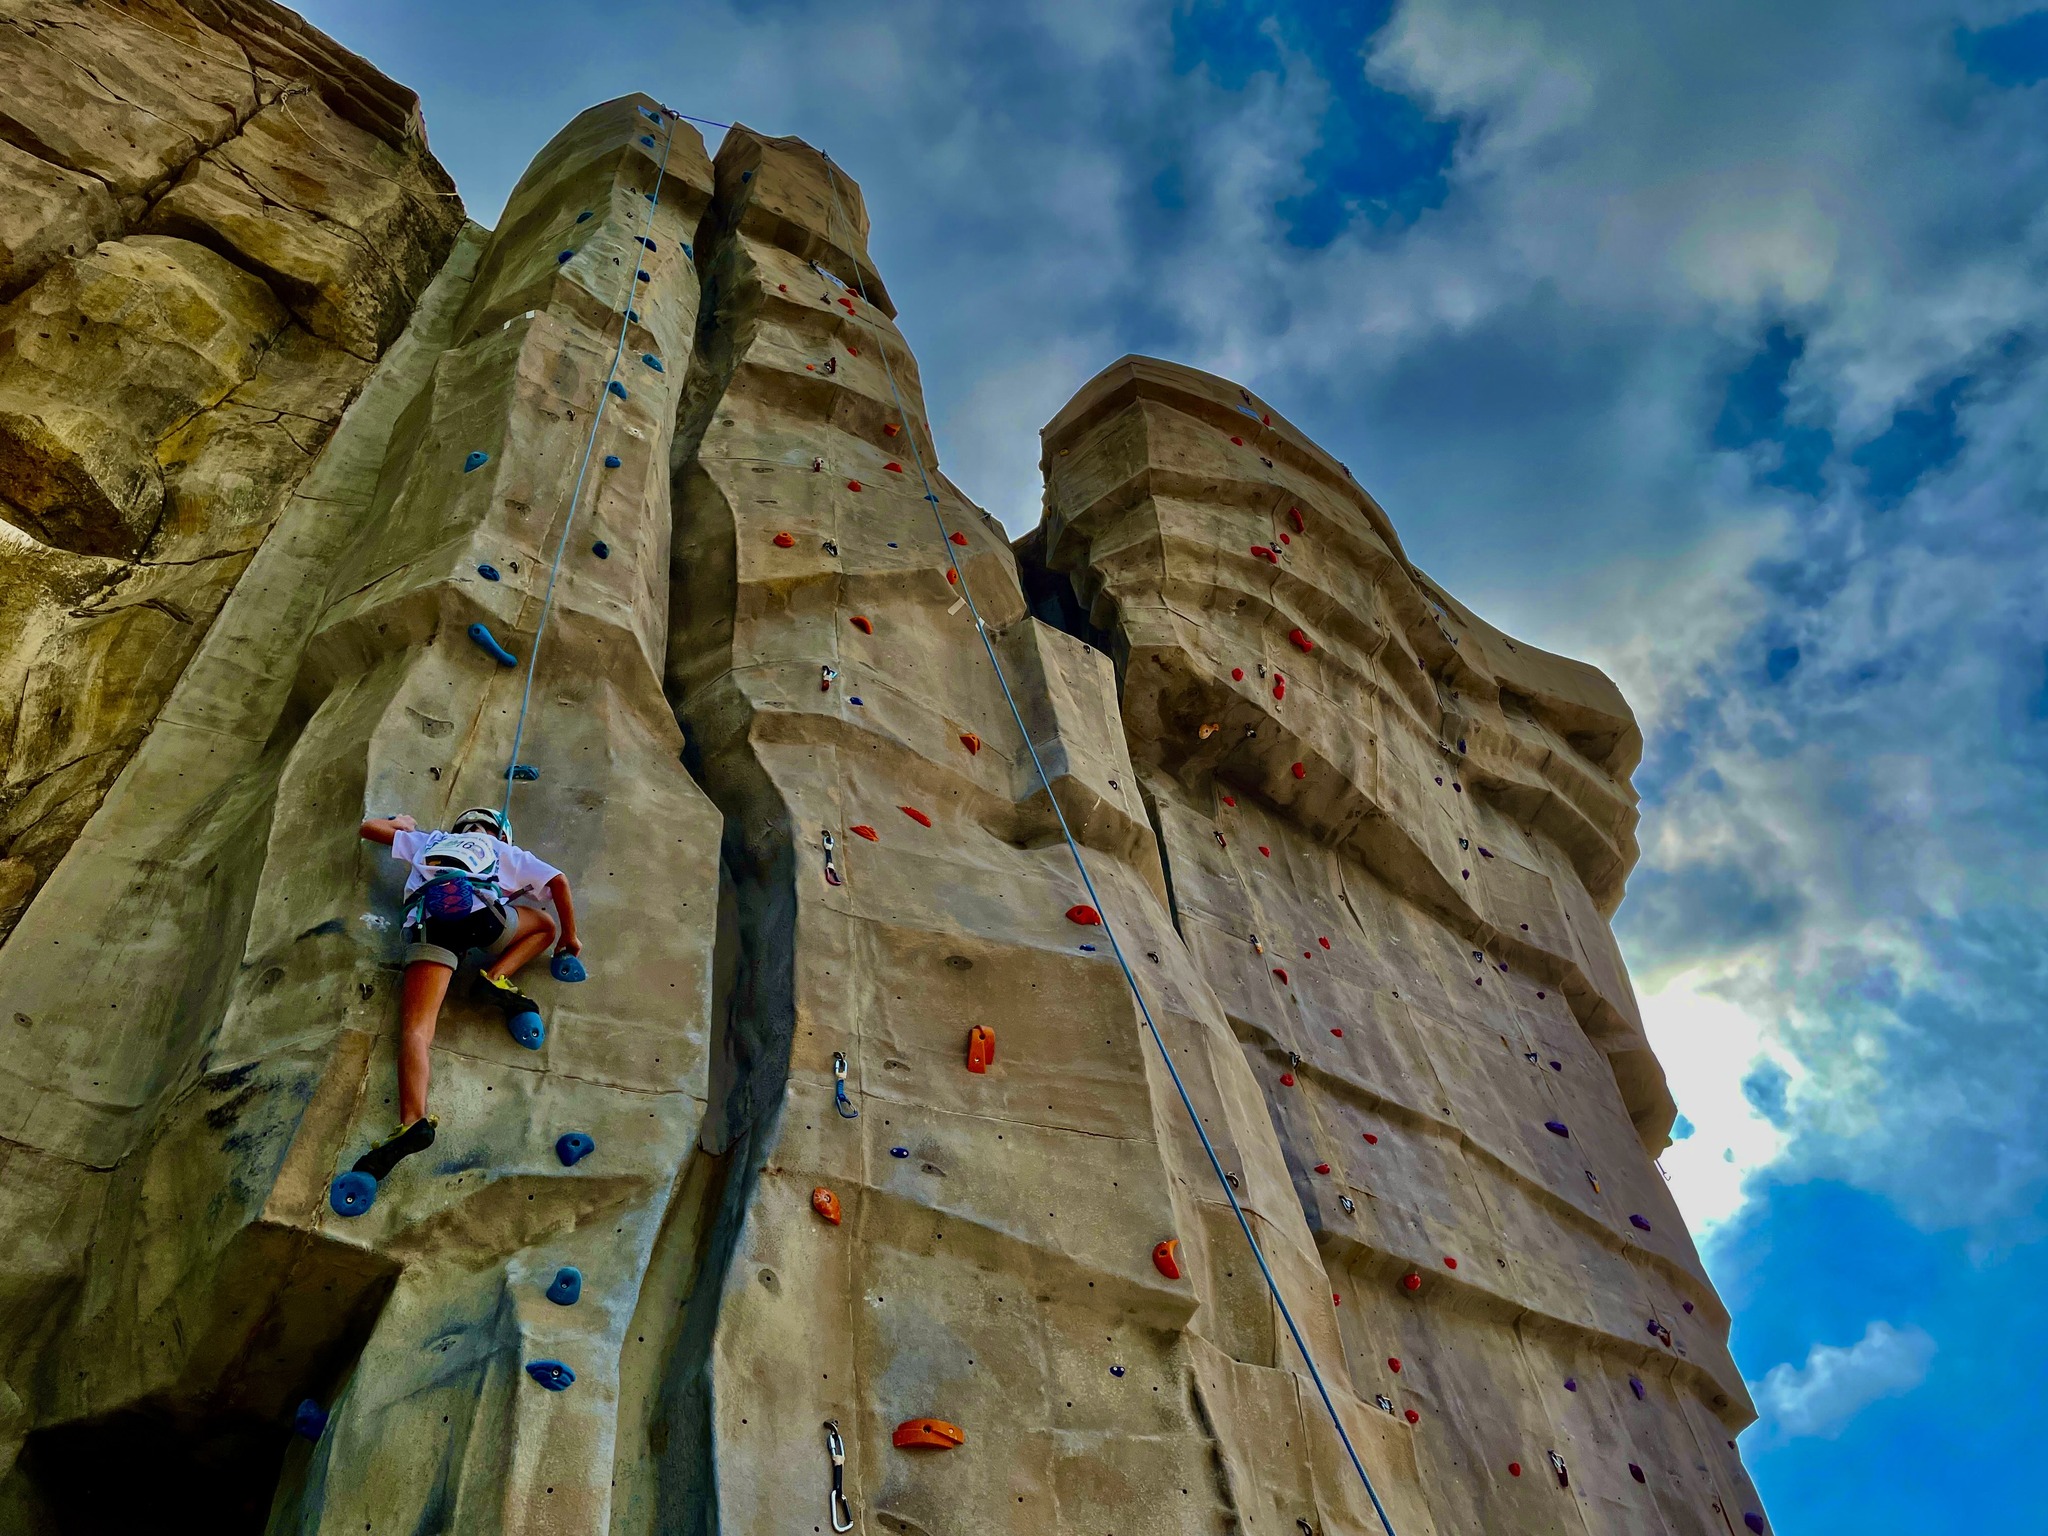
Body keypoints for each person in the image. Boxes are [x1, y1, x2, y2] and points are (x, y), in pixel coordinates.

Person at [350, 806, 581, 1181]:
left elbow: (368, 828)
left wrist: (401, 824)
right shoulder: (505, 850)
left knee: (417, 1031)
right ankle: (496, 976)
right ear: (502, 834)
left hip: (430, 926)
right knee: (544, 925)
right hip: (484, 918)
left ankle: (413, 1121)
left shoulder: (431, 841)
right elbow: (559, 882)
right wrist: (570, 936)